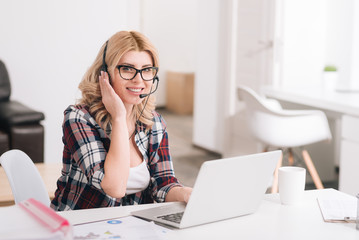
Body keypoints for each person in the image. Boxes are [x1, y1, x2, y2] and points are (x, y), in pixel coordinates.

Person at [51, 31, 192, 211]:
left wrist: (186, 193)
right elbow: (114, 187)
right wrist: (119, 117)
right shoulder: (79, 118)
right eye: (127, 68)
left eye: (147, 69)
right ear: (105, 73)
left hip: (133, 226)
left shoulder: (154, 123)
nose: (138, 79)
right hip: (81, 226)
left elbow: (163, 184)